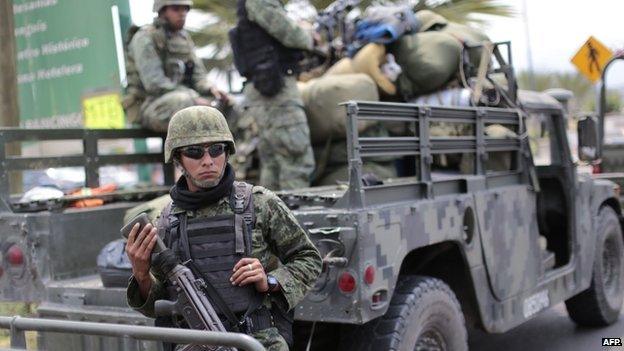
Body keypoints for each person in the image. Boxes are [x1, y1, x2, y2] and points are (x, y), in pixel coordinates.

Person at [125, 106, 322, 351]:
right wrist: (141, 275)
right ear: (178, 159)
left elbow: (309, 259)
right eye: (195, 152)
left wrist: (270, 280)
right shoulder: (164, 221)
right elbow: (157, 304)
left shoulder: (260, 203)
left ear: (227, 153)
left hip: (257, 341)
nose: (208, 161)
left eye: (216, 149)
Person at [229, 0, 316, 190]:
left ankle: (275, 217)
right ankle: (293, 217)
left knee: (273, 165)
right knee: (296, 160)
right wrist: (309, 33)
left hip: (265, 90)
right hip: (277, 92)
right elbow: (294, 36)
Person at [123, 0, 229, 132]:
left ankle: (234, 150)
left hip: (183, 98)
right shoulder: (144, 37)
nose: (182, 13)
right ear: (161, 11)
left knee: (229, 103)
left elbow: (198, 76)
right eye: (176, 9)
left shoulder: (183, 39)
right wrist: (193, 98)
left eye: (185, 9)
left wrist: (211, 89)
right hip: (149, 105)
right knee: (184, 102)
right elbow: (155, 83)